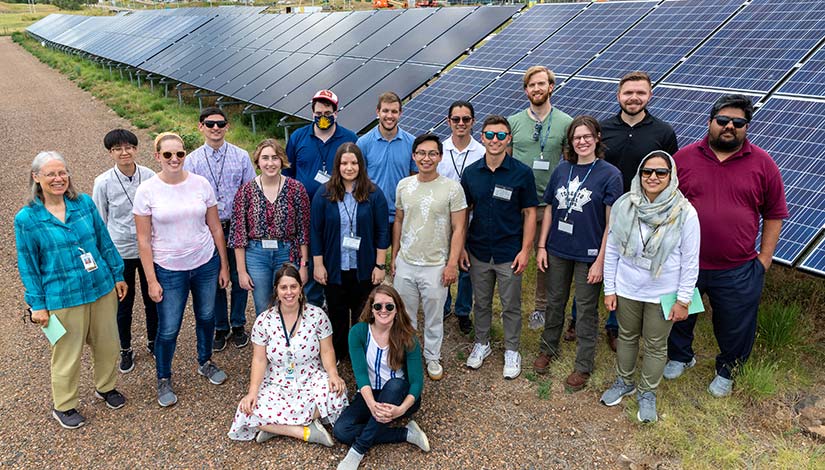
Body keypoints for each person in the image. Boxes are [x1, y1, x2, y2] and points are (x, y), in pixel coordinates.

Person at [665, 94, 788, 398]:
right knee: (680, 315)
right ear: (710, 122)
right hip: (685, 262)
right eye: (723, 121)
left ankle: (727, 370)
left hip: (738, 266)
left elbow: (774, 213)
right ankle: (680, 356)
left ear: (746, 127)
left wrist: (764, 260)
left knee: (735, 324)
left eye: (738, 122)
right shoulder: (684, 158)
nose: (729, 127)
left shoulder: (763, 163)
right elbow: (665, 205)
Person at [568, 72, 681, 350]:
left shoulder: (663, 132)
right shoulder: (603, 129)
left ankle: (614, 325)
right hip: (599, 211)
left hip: (642, 214)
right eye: (628, 92)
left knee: (624, 266)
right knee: (590, 264)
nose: (634, 98)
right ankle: (578, 317)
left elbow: (670, 172)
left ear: (649, 95)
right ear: (618, 95)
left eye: (640, 93)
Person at [15, 151, 128, 429]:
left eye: (62, 172)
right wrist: (37, 305)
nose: (58, 179)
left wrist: (117, 274)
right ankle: (64, 406)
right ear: (36, 177)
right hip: (62, 296)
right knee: (67, 353)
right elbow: (28, 265)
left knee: (108, 344)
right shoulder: (27, 219)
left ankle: (106, 387)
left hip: (100, 287)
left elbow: (104, 241)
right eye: (51, 174)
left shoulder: (84, 204)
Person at [599, 151, 699, 423]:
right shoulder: (624, 205)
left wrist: (684, 299)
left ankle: (647, 392)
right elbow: (612, 251)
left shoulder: (685, 213)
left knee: (656, 345)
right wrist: (610, 288)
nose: (653, 177)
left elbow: (690, 261)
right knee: (628, 336)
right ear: (640, 174)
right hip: (627, 287)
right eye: (647, 172)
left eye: (661, 172)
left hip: (663, 292)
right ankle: (624, 382)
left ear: (671, 176)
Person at [134, 132, 231, 407]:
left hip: (205, 264)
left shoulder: (201, 184)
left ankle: (205, 361)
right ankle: (163, 377)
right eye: (168, 155)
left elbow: (215, 227)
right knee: (168, 328)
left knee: (207, 316)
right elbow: (143, 240)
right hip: (168, 269)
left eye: (179, 154)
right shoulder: (147, 191)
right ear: (157, 157)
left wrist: (223, 264)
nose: (174, 159)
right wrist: (151, 280)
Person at [533, 116, 623, 392]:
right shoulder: (563, 169)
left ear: (597, 138)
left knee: (585, 309)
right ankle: (548, 348)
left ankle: (583, 365)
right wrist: (542, 246)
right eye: (576, 138)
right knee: (555, 300)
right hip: (558, 248)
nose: (581, 142)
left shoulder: (610, 174)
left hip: (589, 254)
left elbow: (612, 224)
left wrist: (601, 261)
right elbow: (549, 208)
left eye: (587, 136)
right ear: (570, 142)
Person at [228, 264, 347, 445]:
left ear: (301, 288)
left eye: (293, 286)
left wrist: (333, 374)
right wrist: (252, 392)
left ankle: (274, 427)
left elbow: (327, 350)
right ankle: (305, 431)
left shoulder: (317, 315)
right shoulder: (264, 321)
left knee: (337, 393)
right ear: (276, 290)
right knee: (248, 408)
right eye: (283, 287)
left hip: (310, 376)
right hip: (278, 379)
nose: (289, 292)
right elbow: (259, 360)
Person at [461, 115, 538, 380]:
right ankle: (482, 343)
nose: (495, 140)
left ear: (509, 138)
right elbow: (464, 213)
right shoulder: (471, 173)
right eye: (490, 135)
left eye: (501, 135)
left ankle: (512, 349)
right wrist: (461, 248)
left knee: (510, 305)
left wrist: (526, 250)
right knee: (480, 302)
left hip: (509, 252)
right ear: (482, 137)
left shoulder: (522, 173)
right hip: (479, 249)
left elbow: (529, 213)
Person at [393, 133, 467, 381]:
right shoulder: (404, 185)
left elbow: (459, 228)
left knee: (434, 316)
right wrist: (395, 257)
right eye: (422, 153)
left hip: (436, 265)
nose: (427, 158)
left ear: (440, 157)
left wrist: (452, 264)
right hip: (407, 262)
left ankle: (432, 356)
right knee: (405, 315)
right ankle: (409, 355)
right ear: (414, 156)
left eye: (432, 153)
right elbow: (400, 220)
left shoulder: (452, 189)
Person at [334, 285, 431, 470]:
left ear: (397, 309)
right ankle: (405, 433)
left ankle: (357, 451)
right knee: (341, 430)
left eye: (389, 306)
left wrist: (401, 410)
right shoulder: (358, 332)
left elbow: (417, 382)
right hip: (370, 393)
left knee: (394, 384)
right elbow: (361, 374)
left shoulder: (407, 337)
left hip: (399, 395)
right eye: (378, 306)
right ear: (371, 308)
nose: (383, 311)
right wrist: (372, 405)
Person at [507, 66, 573, 331]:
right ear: (526, 90)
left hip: (550, 205)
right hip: (519, 205)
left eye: (541, 84)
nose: (536, 89)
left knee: (545, 259)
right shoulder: (513, 122)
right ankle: (511, 303)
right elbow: (508, 162)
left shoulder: (566, 122)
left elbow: (569, 162)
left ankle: (541, 307)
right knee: (513, 256)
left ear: (551, 87)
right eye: (531, 85)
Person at [185, 107, 256, 351]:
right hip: (207, 229)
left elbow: (250, 193)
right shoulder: (192, 160)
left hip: (237, 226)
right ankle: (220, 326)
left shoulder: (241, 156)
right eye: (210, 123)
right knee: (214, 278)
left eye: (220, 123)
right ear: (200, 126)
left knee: (239, 277)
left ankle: (238, 323)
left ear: (227, 127)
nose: (215, 128)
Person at [311, 143, 390, 362]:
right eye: (344, 163)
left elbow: (382, 231)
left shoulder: (374, 193)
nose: (349, 167)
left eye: (354, 163)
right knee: (336, 312)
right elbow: (315, 231)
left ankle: (360, 353)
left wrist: (380, 265)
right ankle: (338, 351)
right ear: (337, 165)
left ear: (360, 165)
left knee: (362, 314)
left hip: (364, 267)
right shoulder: (324, 193)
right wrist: (318, 264)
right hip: (334, 267)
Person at [285, 90, 358, 309]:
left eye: (328, 112)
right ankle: (313, 309)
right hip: (305, 213)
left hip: (339, 213)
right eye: (318, 112)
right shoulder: (298, 137)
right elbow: (290, 172)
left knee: (334, 259)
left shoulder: (350, 138)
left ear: (336, 113)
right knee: (309, 260)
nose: (323, 116)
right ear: (312, 112)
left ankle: (335, 303)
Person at [93, 129, 158, 373]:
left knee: (153, 297)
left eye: (128, 147)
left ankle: (154, 341)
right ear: (111, 153)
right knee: (123, 303)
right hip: (120, 250)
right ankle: (125, 348)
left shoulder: (150, 176)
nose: (124, 152)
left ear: (136, 149)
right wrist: (103, 255)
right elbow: (100, 220)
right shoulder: (103, 182)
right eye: (117, 149)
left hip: (149, 248)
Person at [229, 139, 310, 316]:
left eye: (275, 158)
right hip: (257, 255)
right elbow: (238, 234)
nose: (270, 163)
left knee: (290, 301)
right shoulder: (246, 191)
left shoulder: (296, 189)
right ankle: (265, 342)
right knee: (263, 305)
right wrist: (241, 271)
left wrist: (303, 265)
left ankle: (290, 341)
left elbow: (304, 231)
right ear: (258, 162)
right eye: (265, 158)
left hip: (287, 252)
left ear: (282, 160)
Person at [438, 100, 484, 334]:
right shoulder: (440, 151)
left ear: (472, 122)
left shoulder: (482, 151)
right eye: (456, 119)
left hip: (472, 219)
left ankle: (463, 311)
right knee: (443, 262)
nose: (461, 123)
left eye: (466, 119)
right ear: (449, 122)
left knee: (467, 267)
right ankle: (444, 305)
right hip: (443, 219)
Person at [357, 91, 417, 224]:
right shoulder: (363, 143)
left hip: (403, 216)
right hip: (372, 214)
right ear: (377, 112)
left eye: (394, 112)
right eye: (385, 111)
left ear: (400, 113)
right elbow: (358, 179)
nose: (389, 116)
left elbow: (415, 179)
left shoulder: (412, 143)